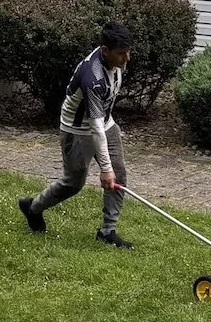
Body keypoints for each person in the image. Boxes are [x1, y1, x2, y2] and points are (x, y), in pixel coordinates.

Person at [18, 21, 135, 247]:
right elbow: (94, 128)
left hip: (106, 124)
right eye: (121, 53)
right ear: (105, 51)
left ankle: (107, 231)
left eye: (129, 52)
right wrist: (105, 168)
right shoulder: (93, 77)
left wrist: (111, 170)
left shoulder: (117, 60)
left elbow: (102, 123)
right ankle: (32, 207)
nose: (127, 58)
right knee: (73, 183)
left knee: (118, 177)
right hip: (77, 131)